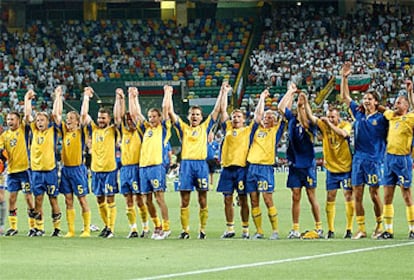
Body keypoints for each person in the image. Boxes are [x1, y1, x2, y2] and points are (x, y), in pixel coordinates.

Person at [168, 83, 224, 239]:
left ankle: (202, 230)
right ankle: (185, 230)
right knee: (184, 198)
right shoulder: (183, 129)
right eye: (192, 114)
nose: (194, 116)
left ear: (201, 117)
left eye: (197, 114)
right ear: (188, 116)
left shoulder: (205, 127)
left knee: (202, 198)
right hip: (186, 165)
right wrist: (168, 93)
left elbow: (217, 110)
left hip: (200, 165)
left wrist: (222, 92)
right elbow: (171, 113)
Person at [340, 62, 388, 239]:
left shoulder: (383, 118)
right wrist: (345, 77)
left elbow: (393, 114)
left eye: (369, 98)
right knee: (356, 194)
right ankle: (361, 228)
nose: (365, 100)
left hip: (374, 160)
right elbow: (345, 97)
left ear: (376, 101)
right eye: (364, 98)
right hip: (358, 159)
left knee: (374, 194)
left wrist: (382, 108)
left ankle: (379, 225)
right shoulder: (358, 114)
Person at [278, 83, 323, 239]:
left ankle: (319, 227)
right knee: (295, 196)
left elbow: (306, 119)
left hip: (308, 164)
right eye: (299, 107)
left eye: (302, 107)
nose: (299, 108)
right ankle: (295, 228)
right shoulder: (291, 119)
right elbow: (281, 107)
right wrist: (290, 92)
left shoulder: (311, 124)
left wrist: (304, 104)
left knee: (311, 196)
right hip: (294, 164)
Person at [304, 104, 354, 239]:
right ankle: (331, 230)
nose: (330, 119)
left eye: (333, 117)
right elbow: (311, 117)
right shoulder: (324, 124)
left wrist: (329, 124)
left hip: (346, 168)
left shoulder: (346, 125)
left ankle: (349, 229)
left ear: (338, 117)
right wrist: (304, 102)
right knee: (330, 197)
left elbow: (343, 134)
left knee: (348, 196)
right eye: (329, 116)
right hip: (331, 168)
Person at [130, 85, 172, 240]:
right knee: (146, 200)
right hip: (143, 168)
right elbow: (135, 114)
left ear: (159, 118)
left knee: (159, 198)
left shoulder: (164, 129)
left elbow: (166, 108)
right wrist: (133, 97)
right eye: (150, 116)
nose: (151, 119)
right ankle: (157, 226)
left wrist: (167, 93)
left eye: (154, 116)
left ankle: (166, 227)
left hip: (156, 166)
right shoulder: (145, 129)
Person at [245, 89, 285, 240]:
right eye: (266, 116)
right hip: (252, 167)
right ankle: (259, 231)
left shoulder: (276, 131)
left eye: (271, 117)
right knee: (253, 200)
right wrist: (261, 97)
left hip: (265, 168)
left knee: (268, 199)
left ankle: (275, 231)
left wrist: (289, 92)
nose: (268, 118)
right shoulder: (256, 129)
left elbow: (283, 113)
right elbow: (257, 116)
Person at [53, 86, 91, 238]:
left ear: (77, 122)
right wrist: (58, 96)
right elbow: (56, 115)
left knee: (82, 199)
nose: (68, 122)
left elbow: (83, 114)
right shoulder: (64, 132)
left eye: (71, 119)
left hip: (78, 169)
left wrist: (86, 97)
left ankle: (87, 229)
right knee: (68, 200)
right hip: (66, 169)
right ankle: (71, 230)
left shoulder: (81, 132)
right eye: (67, 119)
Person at [378, 80, 414, 239]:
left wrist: (410, 92)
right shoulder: (391, 116)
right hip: (388, 159)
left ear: (406, 105)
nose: (395, 105)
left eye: (399, 103)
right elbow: (383, 109)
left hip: (403, 159)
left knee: (406, 194)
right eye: (395, 102)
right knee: (387, 195)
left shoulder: (410, 118)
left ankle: (412, 228)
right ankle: (389, 230)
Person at [81, 87, 119, 238]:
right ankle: (106, 226)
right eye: (99, 117)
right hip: (96, 170)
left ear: (109, 119)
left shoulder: (112, 130)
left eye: (103, 118)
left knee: (110, 198)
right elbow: (83, 115)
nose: (100, 120)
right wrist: (86, 97)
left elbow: (118, 116)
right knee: (99, 199)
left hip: (110, 169)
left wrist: (119, 98)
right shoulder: (94, 129)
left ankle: (111, 228)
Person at [113, 87, 150, 239]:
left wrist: (132, 97)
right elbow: (117, 117)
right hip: (125, 170)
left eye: (131, 120)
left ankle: (146, 227)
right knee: (128, 200)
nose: (130, 121)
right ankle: (133, 228)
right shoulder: (124, 131)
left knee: (140, 199)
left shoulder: (140, 131)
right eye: (128, 120)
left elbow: (137, 115)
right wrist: (119, 98)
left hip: (136, 168)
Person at [24, 89, 62, 237]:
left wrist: (57, 96)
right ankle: (39, 228)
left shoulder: (52, 131)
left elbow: (57, 115)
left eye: (42, 120)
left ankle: (57, 228)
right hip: (36, 171)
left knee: (53, 200)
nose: (39, 122)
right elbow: (28, 116)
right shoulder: (34, 131)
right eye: (38, 120)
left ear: (48, 122)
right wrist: (28, 100)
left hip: (50, 171)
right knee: (38, 200)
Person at [216, 82, 251, 239]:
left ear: (243, 119)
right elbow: (223, 111)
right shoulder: (228, 128)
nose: (235, 118)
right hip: (227, 168)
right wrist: (224, 92)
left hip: (242, 169)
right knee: (227, 198)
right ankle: (230, 228)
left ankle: (245, 229)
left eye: (238, 116)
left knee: (243, 199)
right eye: (234, 116)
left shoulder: (248, 130)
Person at [0, 112, 36, 236]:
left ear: (18, 120)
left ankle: (33, 227)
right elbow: (1, 152)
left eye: (12, 119)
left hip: (25, 170)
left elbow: (27, 117)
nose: (10, 121)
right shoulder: (4, 136)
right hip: (11, 172)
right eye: (8, 119)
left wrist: (27, 99)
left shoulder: (23, 130)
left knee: (28, 198)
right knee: (12, 199)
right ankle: (13, 227)